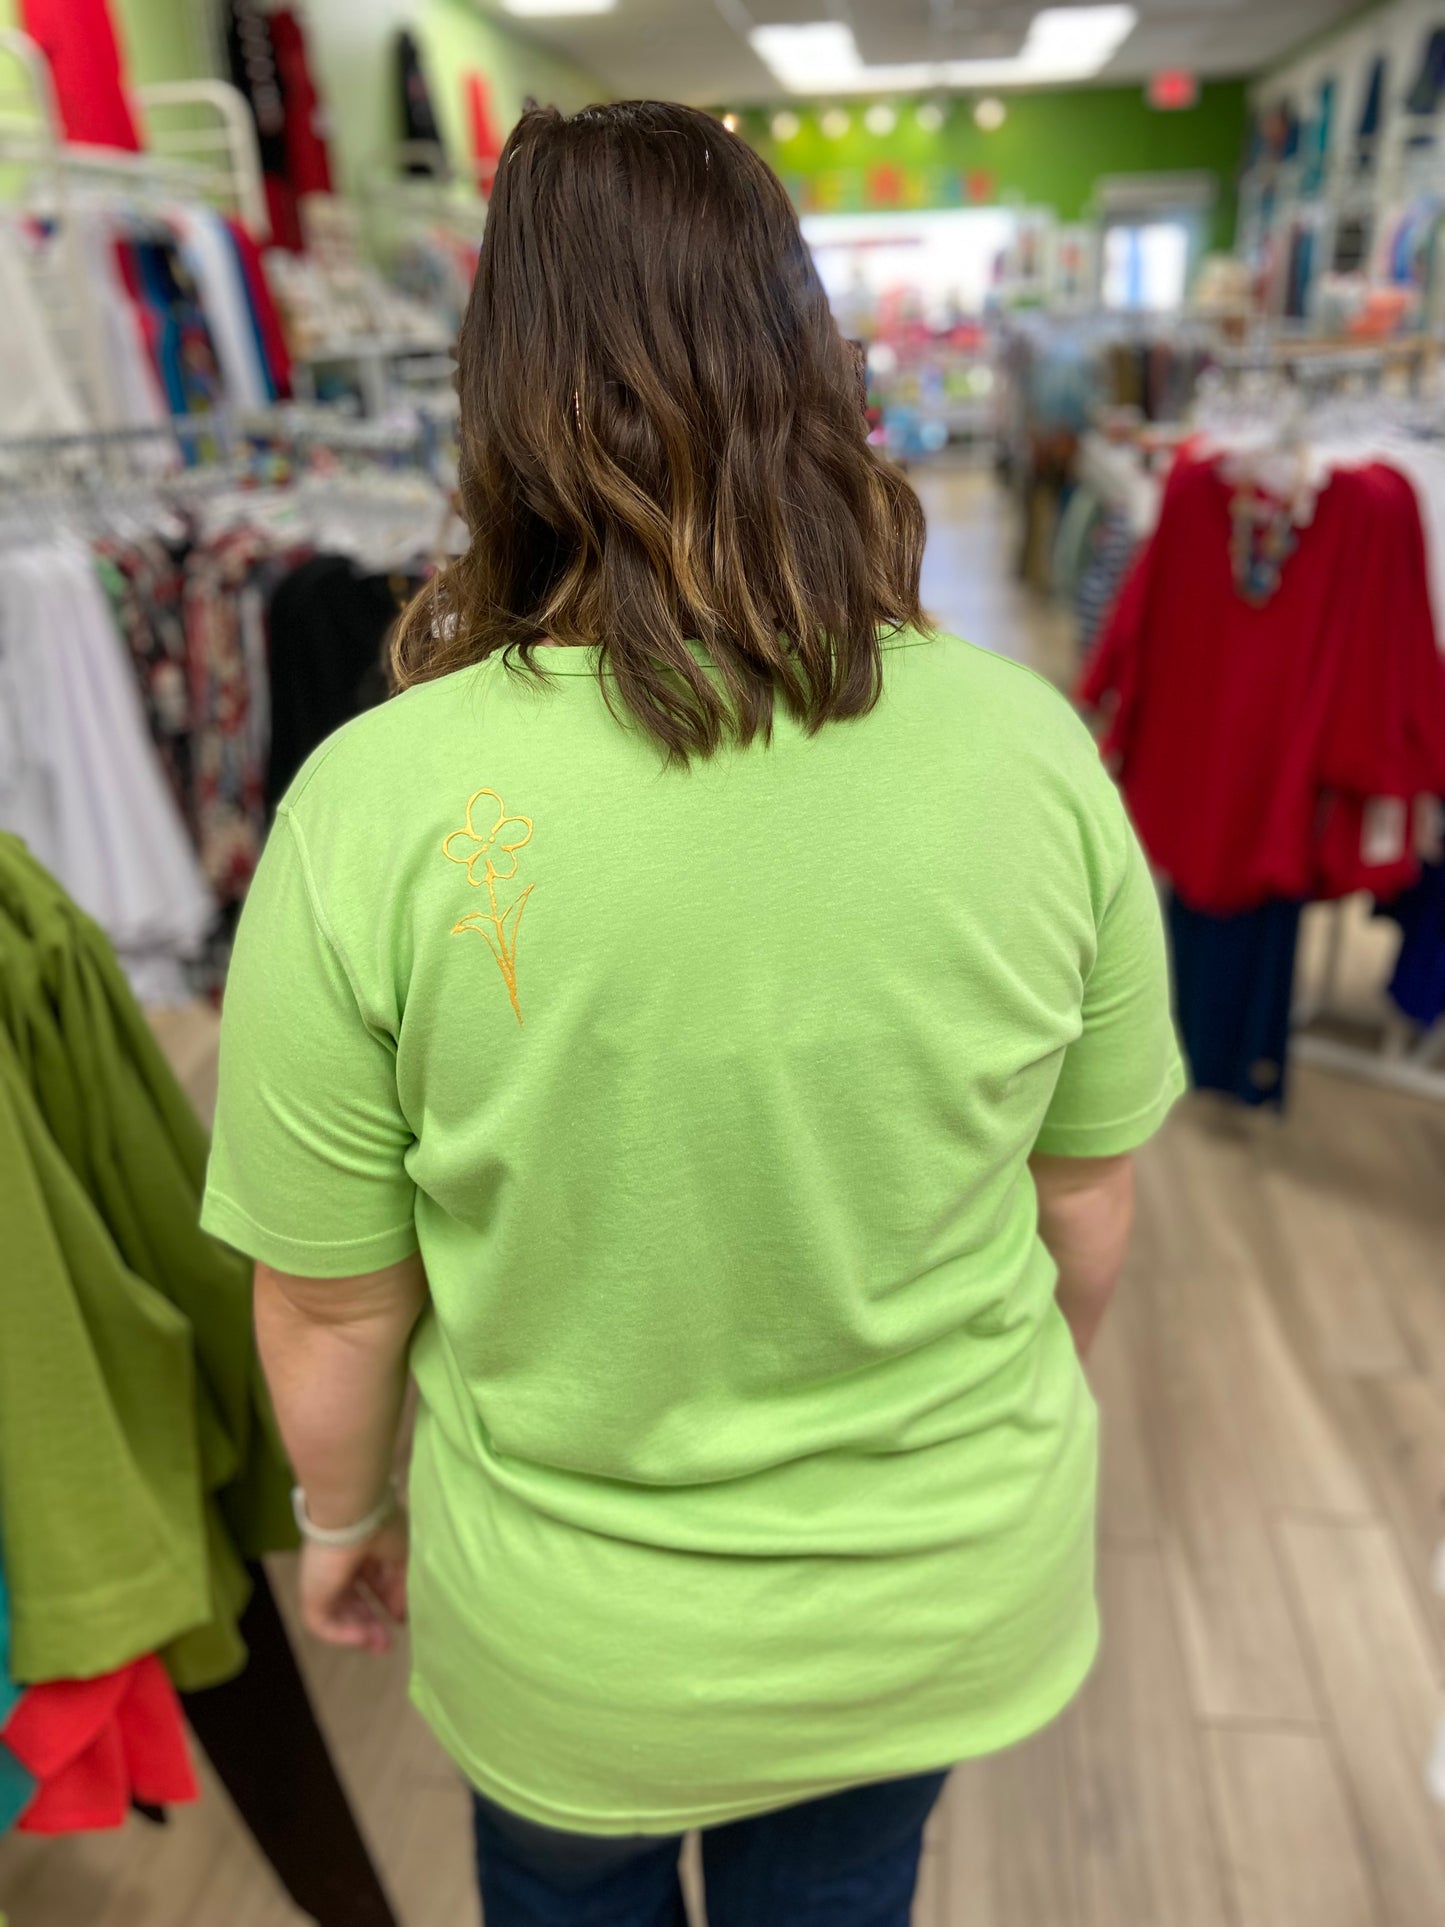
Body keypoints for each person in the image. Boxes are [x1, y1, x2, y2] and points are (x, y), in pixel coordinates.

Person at [203, 100, 1183, 1927]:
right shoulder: (1030, 751)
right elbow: (1085, 1203)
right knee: (847, 1885)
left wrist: (339, 1527)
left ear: (495, 397)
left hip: (579, 1635)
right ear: (808, 359)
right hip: (932, 1587)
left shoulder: (372, 802)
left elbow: (331, 1298)